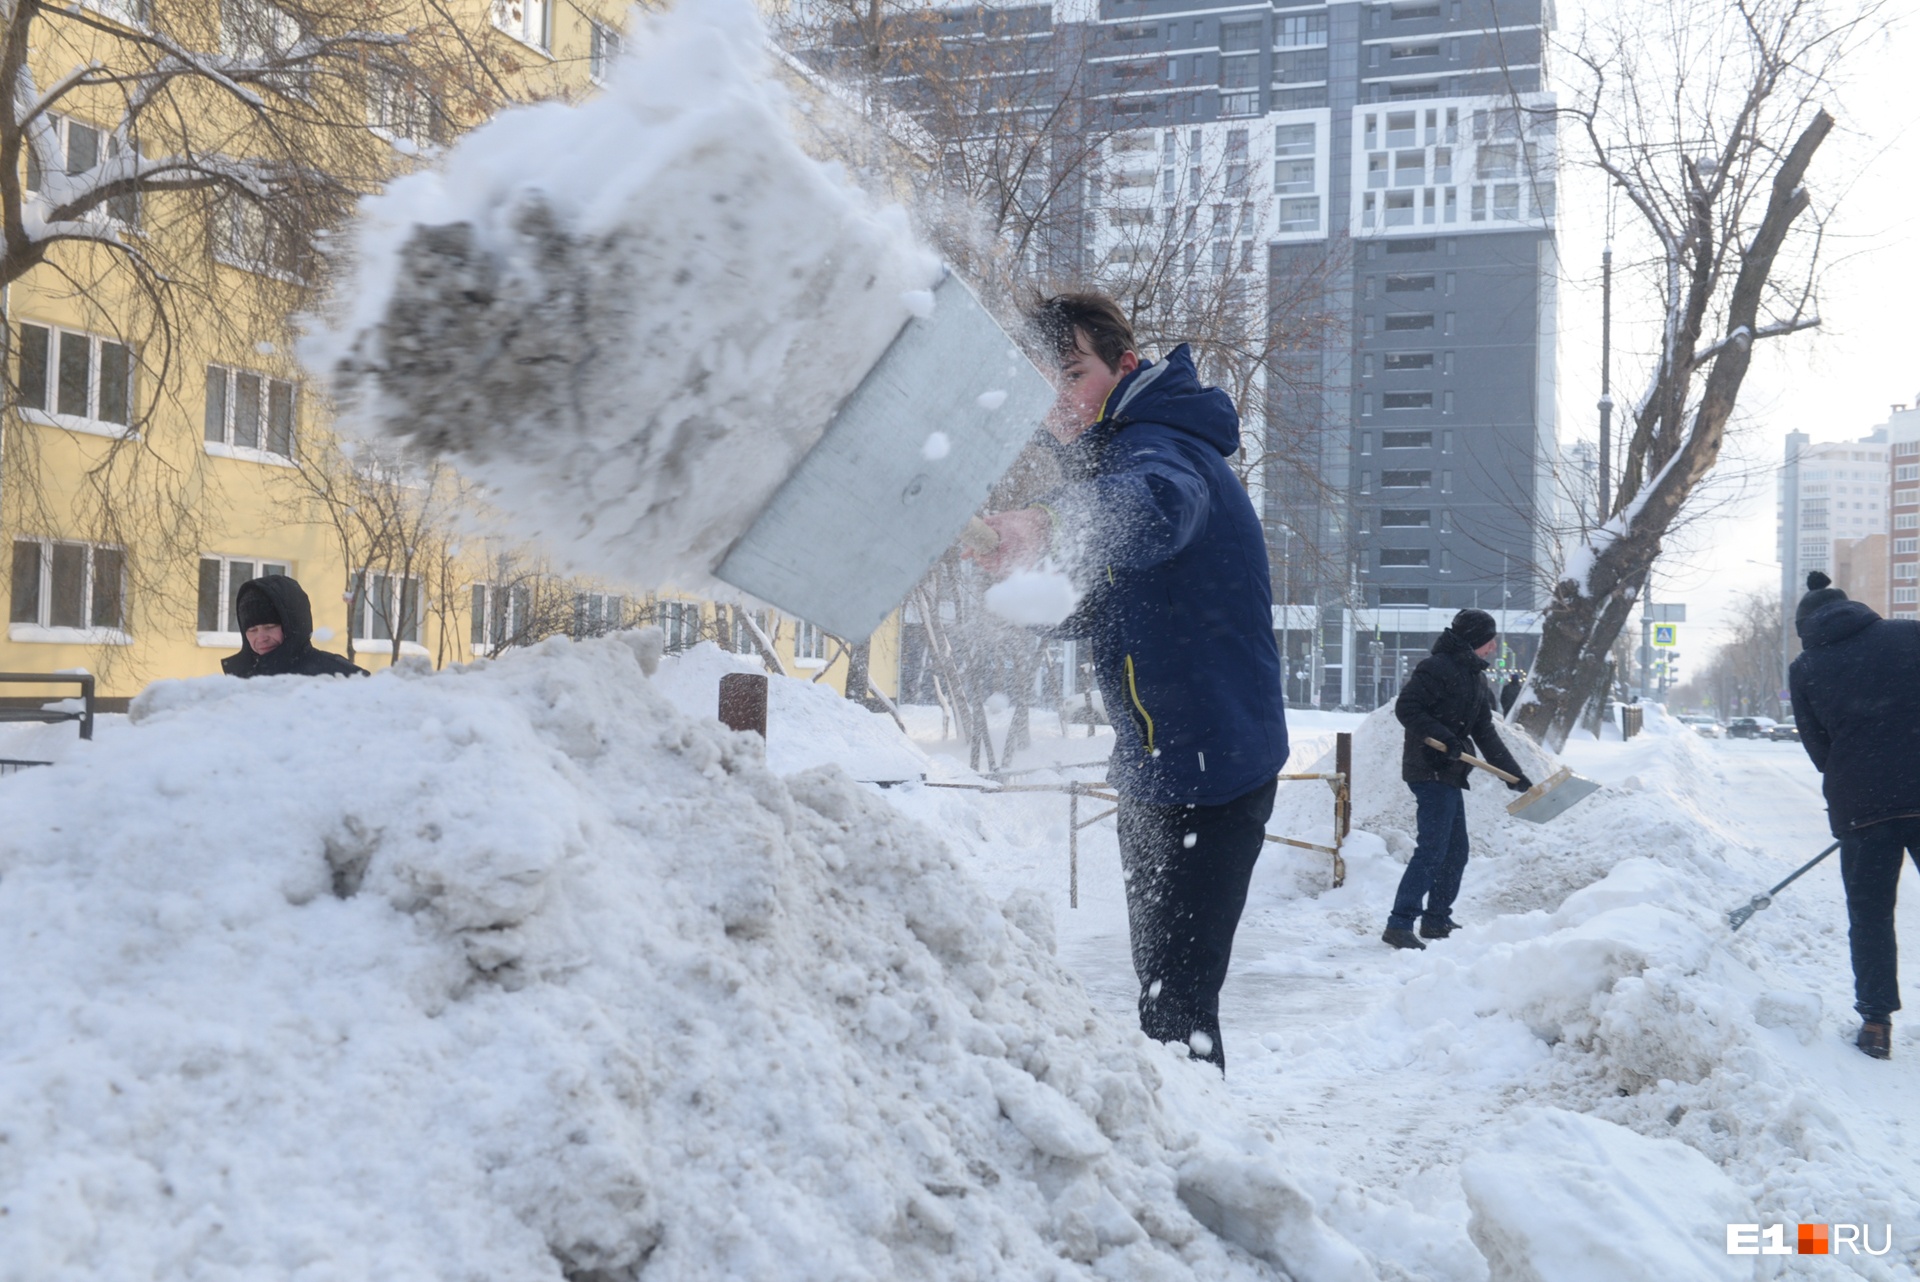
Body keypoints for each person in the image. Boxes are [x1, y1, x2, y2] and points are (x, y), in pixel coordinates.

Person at [975, 293, 1288, 1071]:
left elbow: (1155, 507)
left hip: (1218, 772)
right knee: (1161, 995)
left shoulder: (1165, 449)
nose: (1059, 403)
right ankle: (1175, 1149)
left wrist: (1050, 526)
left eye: (1073, 374)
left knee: (1178, 1004)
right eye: (1043, 386)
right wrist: (1031, 589)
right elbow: (1105, 609)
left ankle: (1196, 1157)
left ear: (1125, 366)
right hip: (1155, 768)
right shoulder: (1110, 466)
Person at [1788, 570, 1920, 1060]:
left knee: (1870, 916)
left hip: (1862, 806)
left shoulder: (1806, 667)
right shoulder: (1910, 632)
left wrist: (1856, 781)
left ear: (1806, 627)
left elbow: (1817, 745)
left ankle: (1876, 1025)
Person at [1384, 609, 1532, 950]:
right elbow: (1407, 708)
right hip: (1428, 766)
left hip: (1450, 771)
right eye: (1490, 640)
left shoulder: (1475, 678)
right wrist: (1444, 738)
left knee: (1456, 852)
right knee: (1433, 849)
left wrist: (1512, 773)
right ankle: (1399, 922)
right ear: (1475, 640)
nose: (1494, 647)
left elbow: (1484, 731)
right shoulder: (1436, 669)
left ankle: (1436, 919)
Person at [221, 574, 368, 679]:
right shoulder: (239, 681)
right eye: (252, 630)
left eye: (270, 626)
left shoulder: (338, 677)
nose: (261, 638)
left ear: (293, 624)